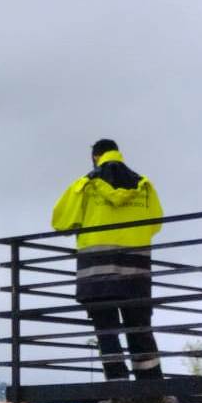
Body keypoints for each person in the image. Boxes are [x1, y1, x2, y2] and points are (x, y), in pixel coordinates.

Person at [51, 139, 165, 383]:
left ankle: (117, 386)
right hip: (136, 271)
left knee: (107, 330)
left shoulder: (85, 186)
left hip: (97, 273)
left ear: (95, 157)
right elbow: (156, 223)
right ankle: (151, 387)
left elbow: (59, 222)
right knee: (139, 328)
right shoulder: (145, 186)